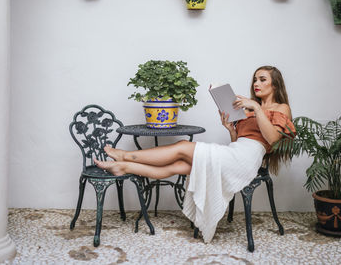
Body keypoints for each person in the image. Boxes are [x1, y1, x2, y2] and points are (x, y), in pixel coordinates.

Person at [94, 66, 296, 243]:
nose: (256, 83)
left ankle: (124, 156)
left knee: (183, 146)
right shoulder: (250, 109)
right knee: (181, 165)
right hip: (236, 151)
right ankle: (124, 167)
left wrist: (258, 109)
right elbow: (238, 142)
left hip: (248, 158)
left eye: (262, 79)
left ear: (275, 85)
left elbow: (273, 140)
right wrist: (230, 128)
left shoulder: (280, 108)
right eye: (255, 79)